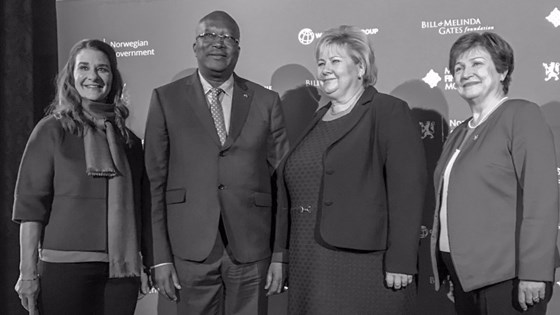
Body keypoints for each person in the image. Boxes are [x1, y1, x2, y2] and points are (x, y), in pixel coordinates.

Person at [144, 10, 289, 315]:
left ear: (238, 48)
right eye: (209, 35)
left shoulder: (266, 101)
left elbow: (282, 182)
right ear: (195, 46)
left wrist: (280, 253)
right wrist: (160, 257)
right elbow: (154, 183)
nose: (218, 43)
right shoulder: (165, 99)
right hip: (188, 250)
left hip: (252, 248)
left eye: (228, 38)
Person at [276, 25, 427, 314]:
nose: (325, 70)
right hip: (309, 260)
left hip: (365, 264)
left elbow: (407, 190)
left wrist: (402, 259)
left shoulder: (387, 110)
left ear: (360, 67)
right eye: (321, 63)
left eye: (335, 61)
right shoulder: (317, 119)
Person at [13, 39, 149, 315]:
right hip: (63, 270)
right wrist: (28, 274)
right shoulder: (51, 131)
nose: (93, 77)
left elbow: (142, 208)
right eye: (84, 67)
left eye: (103, 69)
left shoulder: (129, 142)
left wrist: (143, 262)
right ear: (71, 76)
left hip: (120, 274)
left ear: (113, 77)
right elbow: (30, 209)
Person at [430, 32, 559, 315]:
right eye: (459, 68)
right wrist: (458, 273)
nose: (466, 73)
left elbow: (541, 199)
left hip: (508, 277)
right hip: (466, 277)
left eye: (477, 64)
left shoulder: (521, 115)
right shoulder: (459, 132)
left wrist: (534, 272)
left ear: (502, 71)